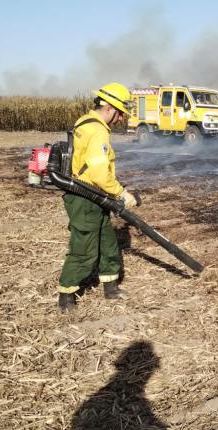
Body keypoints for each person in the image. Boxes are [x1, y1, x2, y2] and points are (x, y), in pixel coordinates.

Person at [57, 82, 138, 313]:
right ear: (110, 108)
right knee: (84, 248)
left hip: (93, 196)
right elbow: (100, 173)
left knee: (107, 242)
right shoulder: (98, 130)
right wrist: (121, 192)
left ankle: (110, 288)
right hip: (85, 198)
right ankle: (66, 295)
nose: (121, 119)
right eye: (121, 113)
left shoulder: (85, 122)